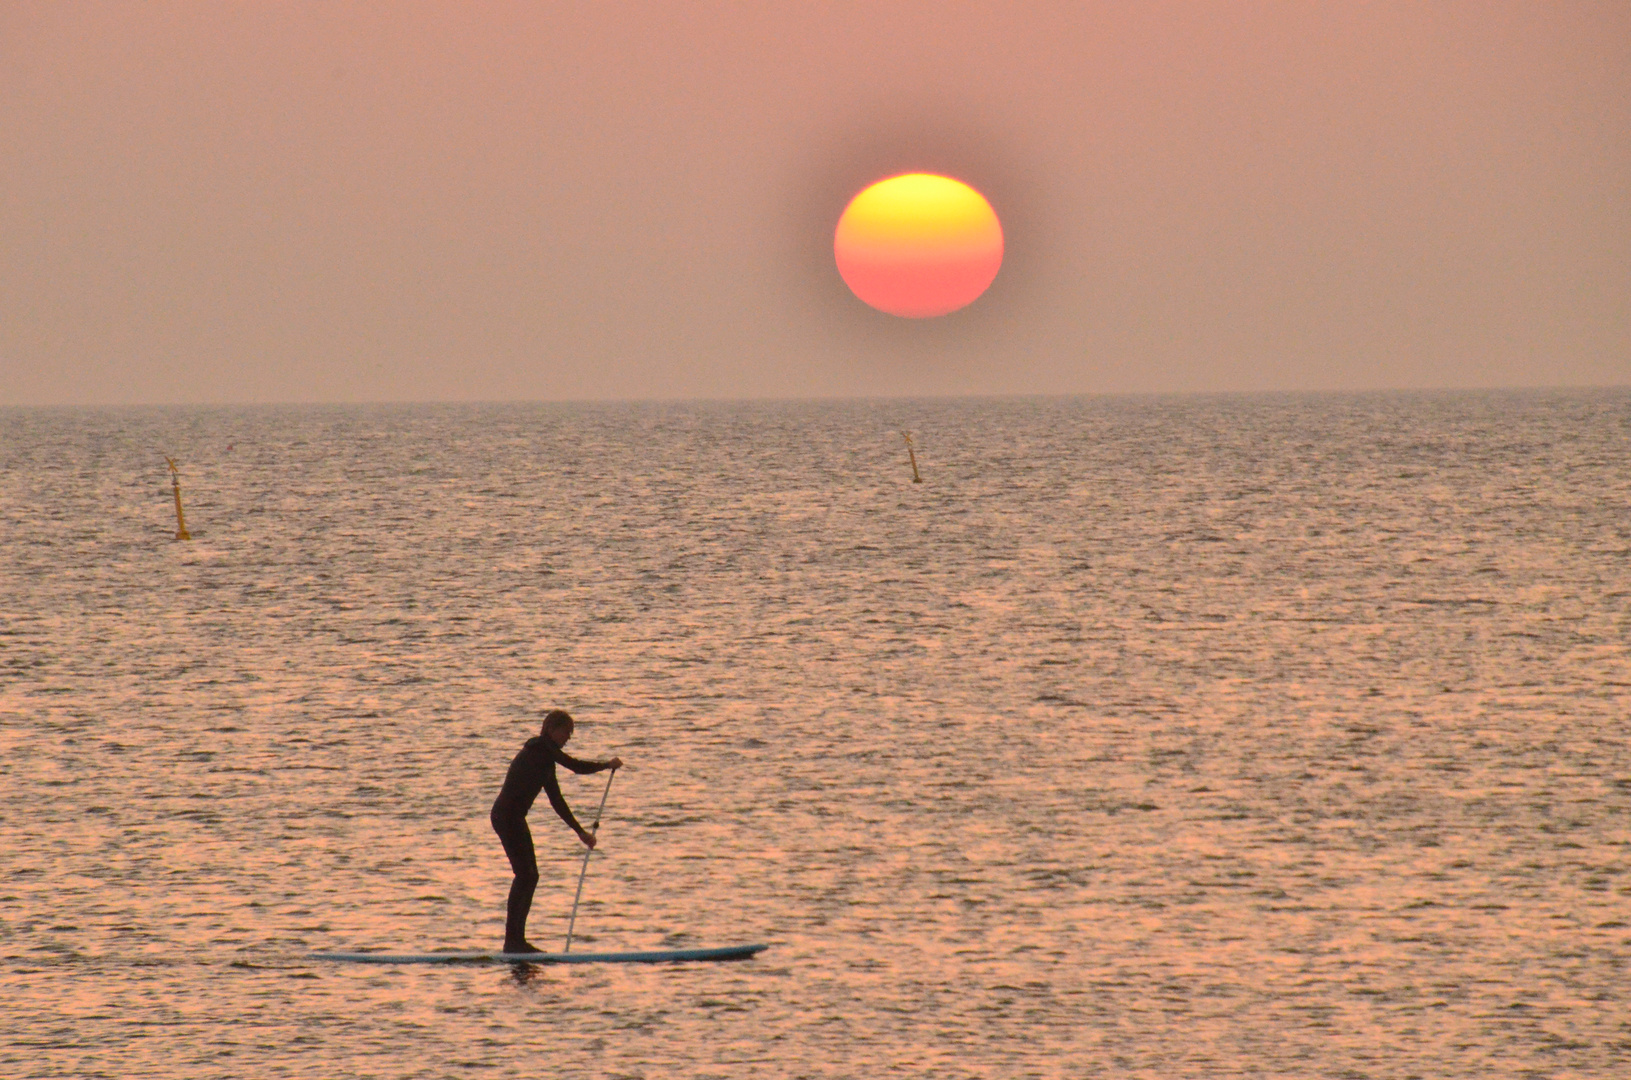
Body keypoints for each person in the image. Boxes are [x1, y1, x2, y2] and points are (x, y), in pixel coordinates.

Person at [490, 710, 621, 954]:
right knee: (526, 875)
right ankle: (513, 942)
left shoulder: (545, 760)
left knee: (530, 876)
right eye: (566, 732)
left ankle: (515, 941)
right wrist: (606, 765)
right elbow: (575, 766)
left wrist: (580, 832)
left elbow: (557, 801)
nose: (568, 738)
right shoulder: (540, 749)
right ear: (551, 729)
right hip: (506, 818)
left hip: (512, 818)